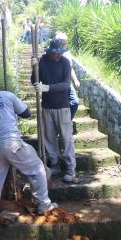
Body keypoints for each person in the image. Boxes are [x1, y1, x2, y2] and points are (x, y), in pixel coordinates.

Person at [0, 81, 57, 235]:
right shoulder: (6, 95)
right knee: (37, 169)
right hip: (11, 143)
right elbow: (26, 113)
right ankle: (44, 205)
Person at [31, 38, 77, 183]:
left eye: (60, 53)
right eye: (55, 53)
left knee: (66, 138)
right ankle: (55, 164)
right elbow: (34, 81)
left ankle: (70, 169)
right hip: (47, 106)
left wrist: (48, 88)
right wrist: (34, 68)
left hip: (62, 106)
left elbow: (66, 84)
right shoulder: (42, 61)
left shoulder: (65, 63)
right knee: (49, 137)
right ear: (50, 51)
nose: (58, 55)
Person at [55, 32, 80, 122]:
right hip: (56, 84)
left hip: (67, 83)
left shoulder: (67, 53)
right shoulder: (49, 54)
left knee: (75, 102)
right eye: (63, 43)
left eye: (66, 43)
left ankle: (66, 122)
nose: (65, 45)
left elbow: (70, 68)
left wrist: (76, 80)